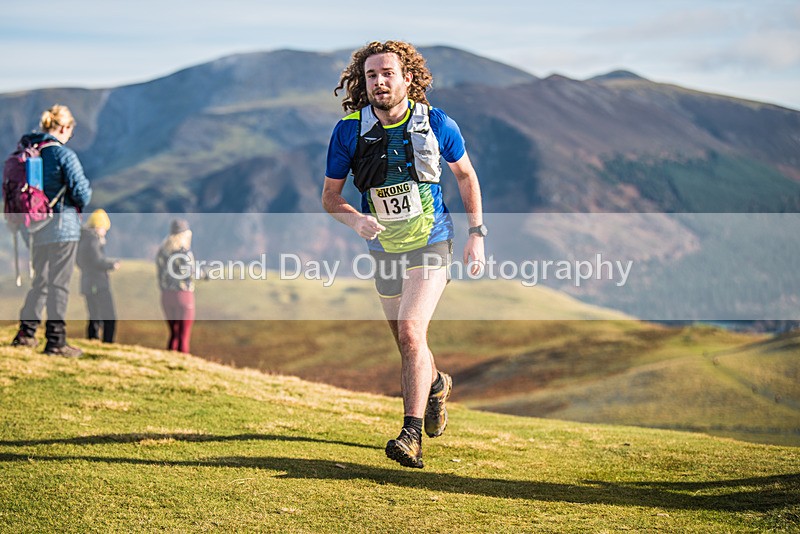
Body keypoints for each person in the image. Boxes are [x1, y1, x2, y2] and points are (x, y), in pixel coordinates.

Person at [322, 41, 486, 468]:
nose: (379, 81)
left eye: (387, 73)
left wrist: (477, 234)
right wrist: (355, 220)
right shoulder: (349, 131)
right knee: (406, 342)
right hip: (383, 247)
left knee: (412, 331)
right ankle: (435, 384)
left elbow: (466, 175)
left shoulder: (437, 124)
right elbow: (330, 197)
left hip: (432, 238)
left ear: (407, 78)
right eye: (371, 75)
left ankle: (410, 435)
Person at [11, 104, 92, 357]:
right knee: (59, 284)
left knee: (41, 281)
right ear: (65, 127)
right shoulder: (64, 155)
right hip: (62, 228)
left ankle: (26, 333)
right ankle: (56, 341)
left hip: (34, 227)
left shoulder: (29, 153)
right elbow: (82, 194)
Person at [76, 209, 120, 343]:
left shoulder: (83, 239)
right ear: (98, 226)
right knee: (108, 317)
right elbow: (97, 261)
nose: (105, 231)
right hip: (97, 283)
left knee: (94, 315)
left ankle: (92, 340)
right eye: (104, 228)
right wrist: (111, 265)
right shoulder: (93, 240)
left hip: (87, 283)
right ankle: (107, 342)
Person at [156, 219, 197, 353]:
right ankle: (182, 365)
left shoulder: (162, 252)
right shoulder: (185, 253)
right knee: (183, 335)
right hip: (183, 296)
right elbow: (190, 274)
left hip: (166, 296)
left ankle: (169, 362)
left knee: (173, 333)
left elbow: (160, 274)